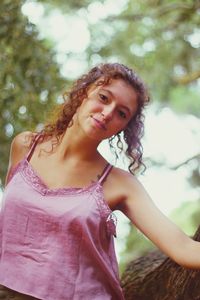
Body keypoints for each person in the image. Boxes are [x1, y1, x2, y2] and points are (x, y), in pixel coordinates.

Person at [0, 63, 199, 300]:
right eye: (104, 98)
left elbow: (184, 249)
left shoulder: (119, 184)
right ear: (83, 92)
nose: (107, 113)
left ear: (122, 128)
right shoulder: (25, 146)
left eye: (121, 113)